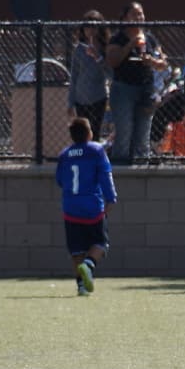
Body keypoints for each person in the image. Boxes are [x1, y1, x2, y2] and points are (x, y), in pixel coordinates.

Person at [55, 117, 117, 296]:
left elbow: (59, 180)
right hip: (92, 208)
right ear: (90, 134)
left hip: (71, 208)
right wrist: (111, 198)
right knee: (100, 243)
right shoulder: (97, 151)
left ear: (71, 136)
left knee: (76, 250)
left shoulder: (64, 154)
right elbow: (106, 175)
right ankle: (89, 265)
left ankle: (81, 286)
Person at [105, 1, 170, 165]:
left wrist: (153, 62)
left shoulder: (149, 38)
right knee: (124, 131)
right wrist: (130, 44)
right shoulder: (118, 38)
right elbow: (112, 61)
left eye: (141, 14)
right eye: (134, 14)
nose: (139, 17)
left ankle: (141, 166)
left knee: (143, 133)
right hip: (123, 90)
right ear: (125, 18)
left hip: (145, 89)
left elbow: (163, 63)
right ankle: (120, 168)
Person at [67, 11, 111, 139]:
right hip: (81, 99)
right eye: (87, 27)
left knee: (95, 132)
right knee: (82, 133)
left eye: (94, 27)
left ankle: (94, 156)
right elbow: (74, 76)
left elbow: (110, 74)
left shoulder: (105, 48)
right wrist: (70, 103)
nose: (90, 30)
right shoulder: (79, 50)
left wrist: (98, 57)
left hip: (98, 97)